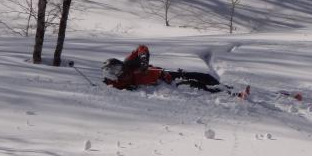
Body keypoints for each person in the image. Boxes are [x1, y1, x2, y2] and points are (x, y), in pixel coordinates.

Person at [102, 44, 250, 98]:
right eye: (114, 71)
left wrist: (143, 61)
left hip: (166, 74)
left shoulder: (128, 63)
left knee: (202, 76)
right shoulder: (117, 83)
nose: (119, 71)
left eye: (118, 67)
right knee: (195, 85)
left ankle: (229, 89)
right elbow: (108, 88)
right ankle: (234, 95)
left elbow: (142, 48)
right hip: (165, 86)